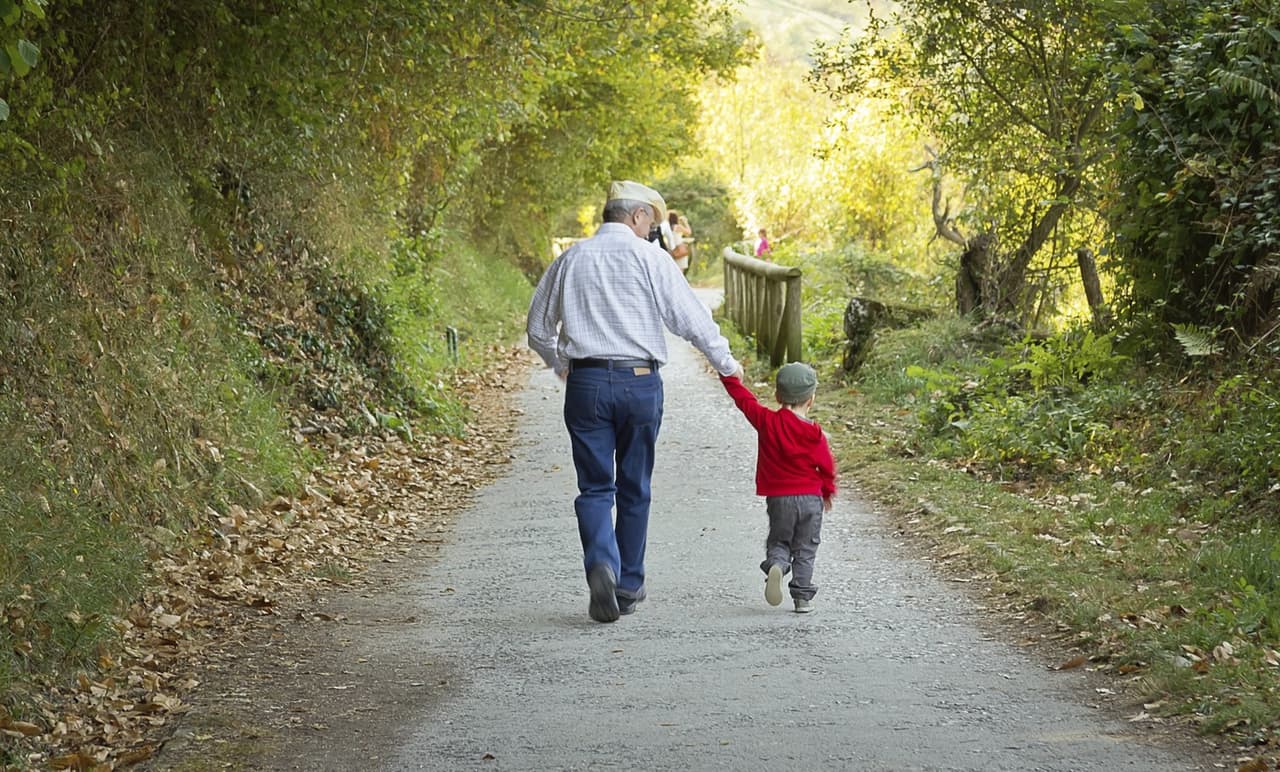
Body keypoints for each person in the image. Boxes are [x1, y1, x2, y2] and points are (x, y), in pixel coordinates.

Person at [527, 180, 744, 623]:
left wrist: (560, 364)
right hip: (640, 382)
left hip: (586, 383)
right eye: (651, 222)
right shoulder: (651, 259)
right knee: (634, 485)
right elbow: (691, 320)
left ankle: (601, 564)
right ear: (637, 215)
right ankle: (627, 585)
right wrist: (726, 364)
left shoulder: (571, 259)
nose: (651, 230)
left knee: (594, 487)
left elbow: (537, 328)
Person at [720, 362, 836, 613]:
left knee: (780, 540)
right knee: (806, 547)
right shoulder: (814, 433)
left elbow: (744, 400)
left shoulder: (766, 421)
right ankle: (802, 599)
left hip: (779, 499)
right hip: (810, 498)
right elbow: (827, 467)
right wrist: (827, 492)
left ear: (777, 396)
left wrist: (727, 373)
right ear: (811, 400)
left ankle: (777, 565)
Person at [666, 210, 692, 276]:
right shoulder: (678, 227)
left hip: (671, 251)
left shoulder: (667, 227)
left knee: (673, 271)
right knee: (680, 272)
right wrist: (685, 222)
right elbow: (689, 232)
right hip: (680, 250)